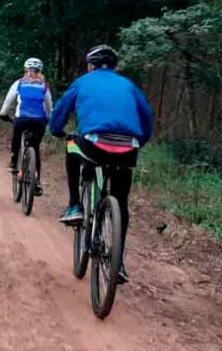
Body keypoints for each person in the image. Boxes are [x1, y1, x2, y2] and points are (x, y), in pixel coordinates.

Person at [49, 45, 153, 284]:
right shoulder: (128, 85)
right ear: (115, 67)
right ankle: (118, 263)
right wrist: (140, 141)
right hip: (129, 147)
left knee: (71, 145)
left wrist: (57, 131)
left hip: (94, 145)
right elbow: (146, 115)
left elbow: (60, 111)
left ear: (90, 66)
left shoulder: (83, 82)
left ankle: (75, 205)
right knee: (121, 200)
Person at [0, 58, 54, 196]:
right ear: (40, 71)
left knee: (16, 139)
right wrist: (48, 119)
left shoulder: (19, 83)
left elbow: (8, 101)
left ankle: (13, 161)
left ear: (25, 70)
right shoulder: (44, 85)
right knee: (35, 147)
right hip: (39, 121)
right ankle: (37, 180)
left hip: (21, 119)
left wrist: (3, 114)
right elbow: (49, 106)